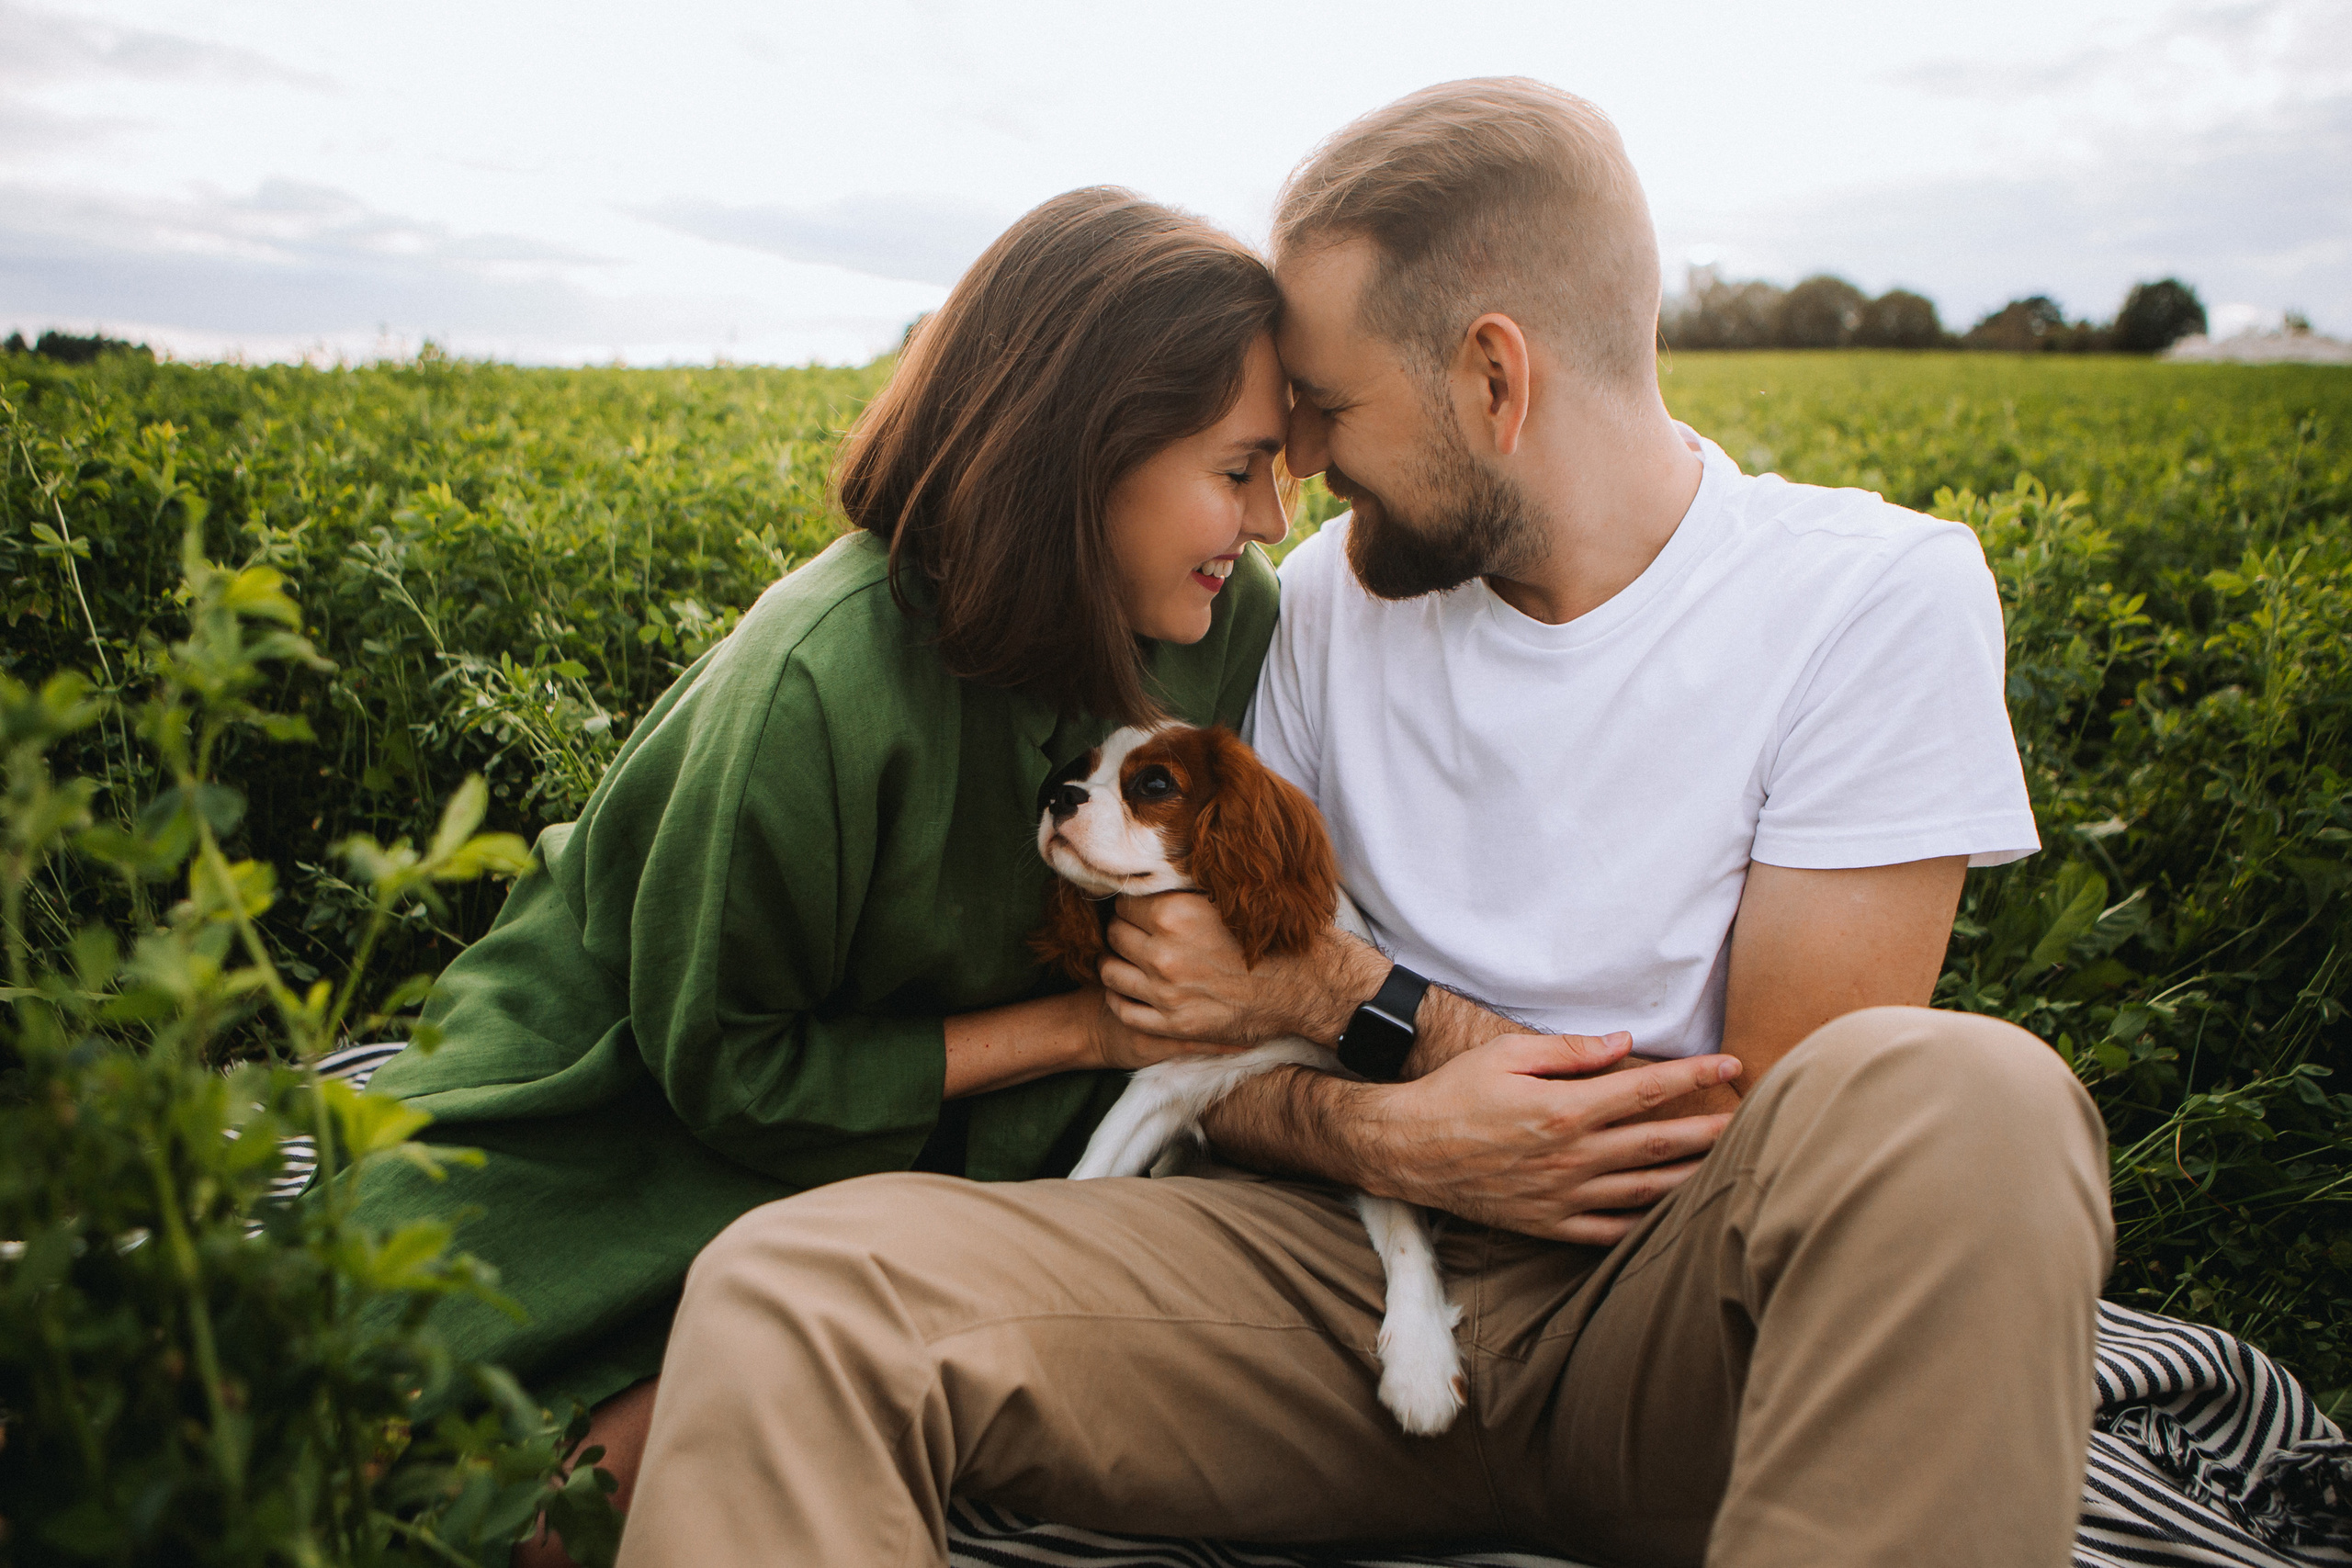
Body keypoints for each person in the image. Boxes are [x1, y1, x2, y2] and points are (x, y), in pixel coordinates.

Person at [614, 80, 2114, 1568]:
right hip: (1311, 1287)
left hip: (1664, 1326)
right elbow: (1196, 1019)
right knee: (795, 1285)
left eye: (1324, 410)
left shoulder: (1871, 597)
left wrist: (1358, 1004)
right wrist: (1388, 1135)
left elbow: (1768, 1133)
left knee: (1973, 1096)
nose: (1300, 475)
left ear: (1493, 381)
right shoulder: (1313, 615)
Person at [344, 186, 1295, 1565]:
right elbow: (722, 1065)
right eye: (1239, 467)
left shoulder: (1227, 623)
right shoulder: (821, 674)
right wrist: (1081, 1029)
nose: (1270, 518)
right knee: (509, 1513)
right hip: (635, 1128)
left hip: (945, 1165)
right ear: (1088, 452)